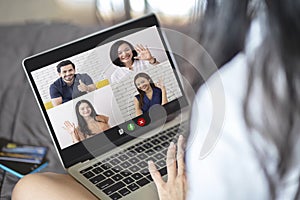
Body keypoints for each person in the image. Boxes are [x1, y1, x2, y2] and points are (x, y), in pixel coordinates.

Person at [12, 1, 300, 200]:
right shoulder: (113, 92)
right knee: (33, 184)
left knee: (30, 190)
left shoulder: (239, 97)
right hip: (159, 139)